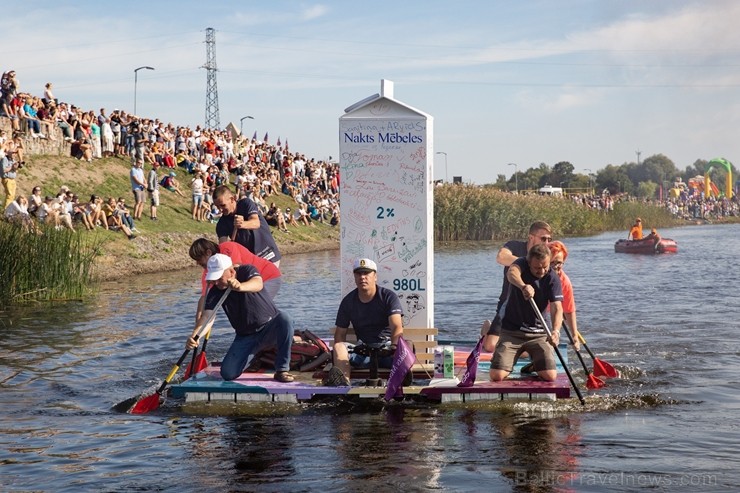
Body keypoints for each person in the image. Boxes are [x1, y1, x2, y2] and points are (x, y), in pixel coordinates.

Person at [186, 253, 295, 383]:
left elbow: (258, 284)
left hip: (269, 328)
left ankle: (282, 369)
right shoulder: (215, 291)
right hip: (245, 336)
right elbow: (207, 317)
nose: (215, 282)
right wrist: (195, 336)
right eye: (213, 278)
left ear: (231, 271)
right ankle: (256, 356)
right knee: (228, 374)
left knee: (285, 318)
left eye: (219, 278)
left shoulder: (246, 271)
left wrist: (240, 287)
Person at [323, 258, 404, 387]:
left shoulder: (388, 296)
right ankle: (343, 385)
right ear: (355, 277)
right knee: (338, 346)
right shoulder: (348, 301)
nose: (362, 277)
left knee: (407, 345)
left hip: (387, 350)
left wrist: (394, 348)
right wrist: (340, 353)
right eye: (359, 274)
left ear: (375, 276)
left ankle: (402, 381)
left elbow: (396, 327)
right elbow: (340, 334)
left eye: (366, 273)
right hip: (363, 352)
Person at [490, 244, 563, 382]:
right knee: (497, 376)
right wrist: (523, 286)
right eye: (537, 268)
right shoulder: (521, 263)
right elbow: (511, 274)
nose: (541, 271)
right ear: (529, 263)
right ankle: (505, 361)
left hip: (539, 333)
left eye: (545, 266)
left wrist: (556, 332)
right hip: (512, 331)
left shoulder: (552, 278)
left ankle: (534, 365)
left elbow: (557, 307)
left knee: (550, 376)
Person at [482, 221, 553, 352]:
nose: (547, 243)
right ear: (531, 238)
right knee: (490, 347)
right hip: (509, 304)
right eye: (543, 239)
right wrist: (527, 263)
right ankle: (487, 331)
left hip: (532, 307)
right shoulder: (514, 246)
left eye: (549, 239)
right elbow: (501, 257)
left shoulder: (547, 255)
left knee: (539, 349)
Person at [188, 238, 282, 323]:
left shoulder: (227, 247)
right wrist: (199, 323)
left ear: (208, 252)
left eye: (198, 259)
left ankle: (283, 333)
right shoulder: (209, 271)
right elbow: (205, 296)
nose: (197, 263)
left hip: (268, 276)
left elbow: (236, 269)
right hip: (246, 285)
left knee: (258, 310)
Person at [213, 185, 282, 267]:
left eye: (223, 205)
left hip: (268, 255)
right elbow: (223, 246)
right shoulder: (222, 224)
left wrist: (242, 224)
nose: (220, 210)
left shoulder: (246, 203)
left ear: (232, 199)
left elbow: (256, 223)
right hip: (250, 261)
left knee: (267, 279)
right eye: (217, 207)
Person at [548, 241, 579, 351]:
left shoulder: (565, 282)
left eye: (559, 263)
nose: (555, 267)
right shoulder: (536, 274)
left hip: (553, 309)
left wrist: (574, 335)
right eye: (552, 263)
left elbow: (569, 310)